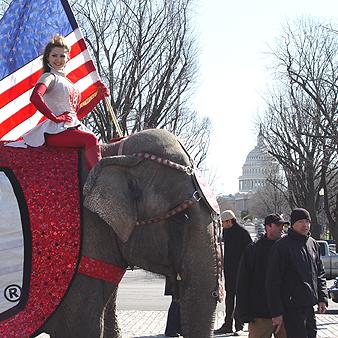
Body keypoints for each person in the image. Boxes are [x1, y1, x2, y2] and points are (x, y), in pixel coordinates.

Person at [7, 35, 108, 170]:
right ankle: (100, 178)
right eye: (54, 55)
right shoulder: (48, 76)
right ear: (47, 57)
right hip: (54, 131)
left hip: (70, 128)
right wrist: (55, 118)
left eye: (62, 56)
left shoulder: (70, 83)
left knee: (96, 142)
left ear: (68, 59)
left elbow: (77, 115)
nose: (58, 60)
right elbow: (35, 97)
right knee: (90, 139)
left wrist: (98, 97)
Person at [266, 208, 328, 338]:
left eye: (307, 221)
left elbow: (320, 273)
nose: (305, 225)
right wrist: (276, 312)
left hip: (309, 305)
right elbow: (273, 281)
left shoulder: (313, 244)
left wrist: (322, 298)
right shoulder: (281, 246)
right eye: (300, 221)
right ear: (293, 224)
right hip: (290, 307)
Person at [235, 213, 289, 338]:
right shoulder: (253, 250)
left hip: (285, 312)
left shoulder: (287, 248)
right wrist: (244, 311)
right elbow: (243, 282)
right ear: (267, 227)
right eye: (278, 225)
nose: (282, 228)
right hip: (260, 315)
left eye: (283, 225)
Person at [214, 210, 252, 336]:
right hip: (229, 270)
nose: (222, 225)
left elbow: (250, 253)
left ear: (230, 221)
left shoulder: (243, 233)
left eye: (223, 222)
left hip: (241, 271)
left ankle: (239, 325)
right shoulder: (226, 231)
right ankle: (227, 325)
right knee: (229, 299)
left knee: (240, 299)